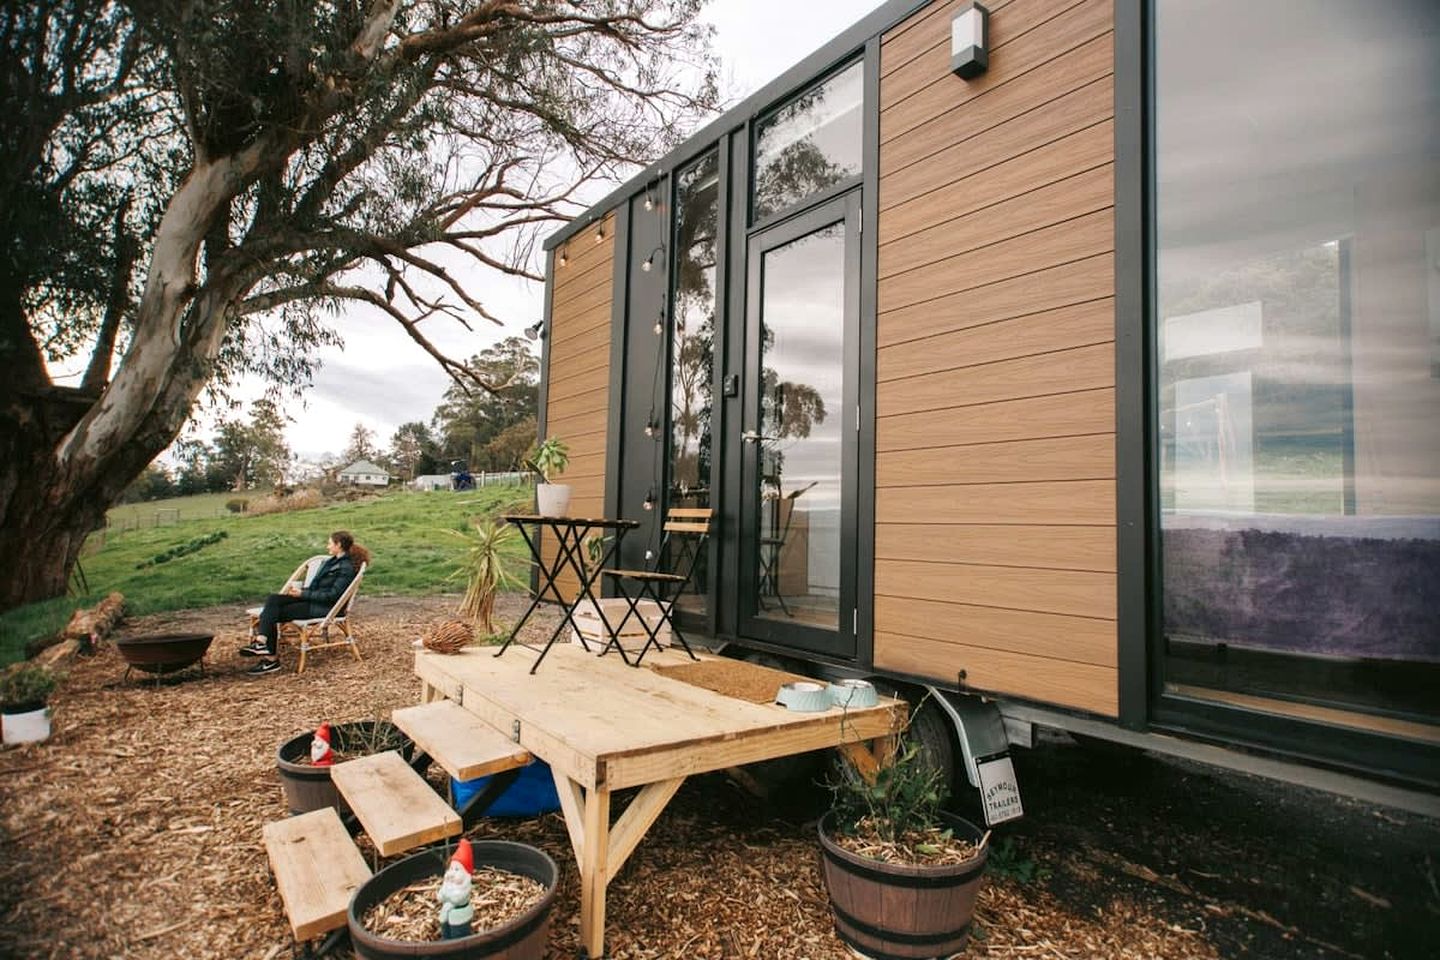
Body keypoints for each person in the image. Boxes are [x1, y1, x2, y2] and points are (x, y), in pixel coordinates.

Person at [239, 530, 369, 676]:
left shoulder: (346, 568)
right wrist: (300, 593)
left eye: (329, 543)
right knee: (273, 600)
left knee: (273, 612)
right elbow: (319, 587)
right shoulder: (333, 562)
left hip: (323, 608)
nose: (327, 547)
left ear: (339, 545)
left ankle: (271, 660)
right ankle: (262, 642)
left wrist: (304, 594)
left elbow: (333, 597)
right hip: (312, 600)